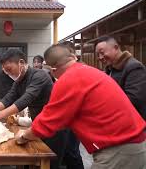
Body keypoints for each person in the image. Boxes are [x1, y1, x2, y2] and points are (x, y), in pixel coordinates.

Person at [16, 44, 146, 169]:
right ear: (73, 57)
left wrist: (24, 136)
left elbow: (47, 121)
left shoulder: (68, 79)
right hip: (134, 143)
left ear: (52, 69)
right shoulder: (90, 71)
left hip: (118, 149)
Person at [0, 49, 67, 169]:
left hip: (55, 126)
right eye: (6, 72)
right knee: (33, 160)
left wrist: (0, 114)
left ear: (21, 62)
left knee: (51, 163)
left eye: (10, 70)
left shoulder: (39, 75)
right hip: (39, 124)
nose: (9, 74)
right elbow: (9, 98)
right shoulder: (19, 80)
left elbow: (26, 99)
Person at [95, 36, 146, 120]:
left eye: (102, 52)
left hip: (133, 122)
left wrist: (104, 105)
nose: (100, 57)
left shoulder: (134, 67)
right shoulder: (110, 69)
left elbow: (134, 100)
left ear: (116, 48)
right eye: (98, 55)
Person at [59, 41, 84, 169]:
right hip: (63, 120)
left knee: (72, 152)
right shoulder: (58, 71)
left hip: (75, 120)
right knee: (66, 152)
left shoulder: (80, 71)